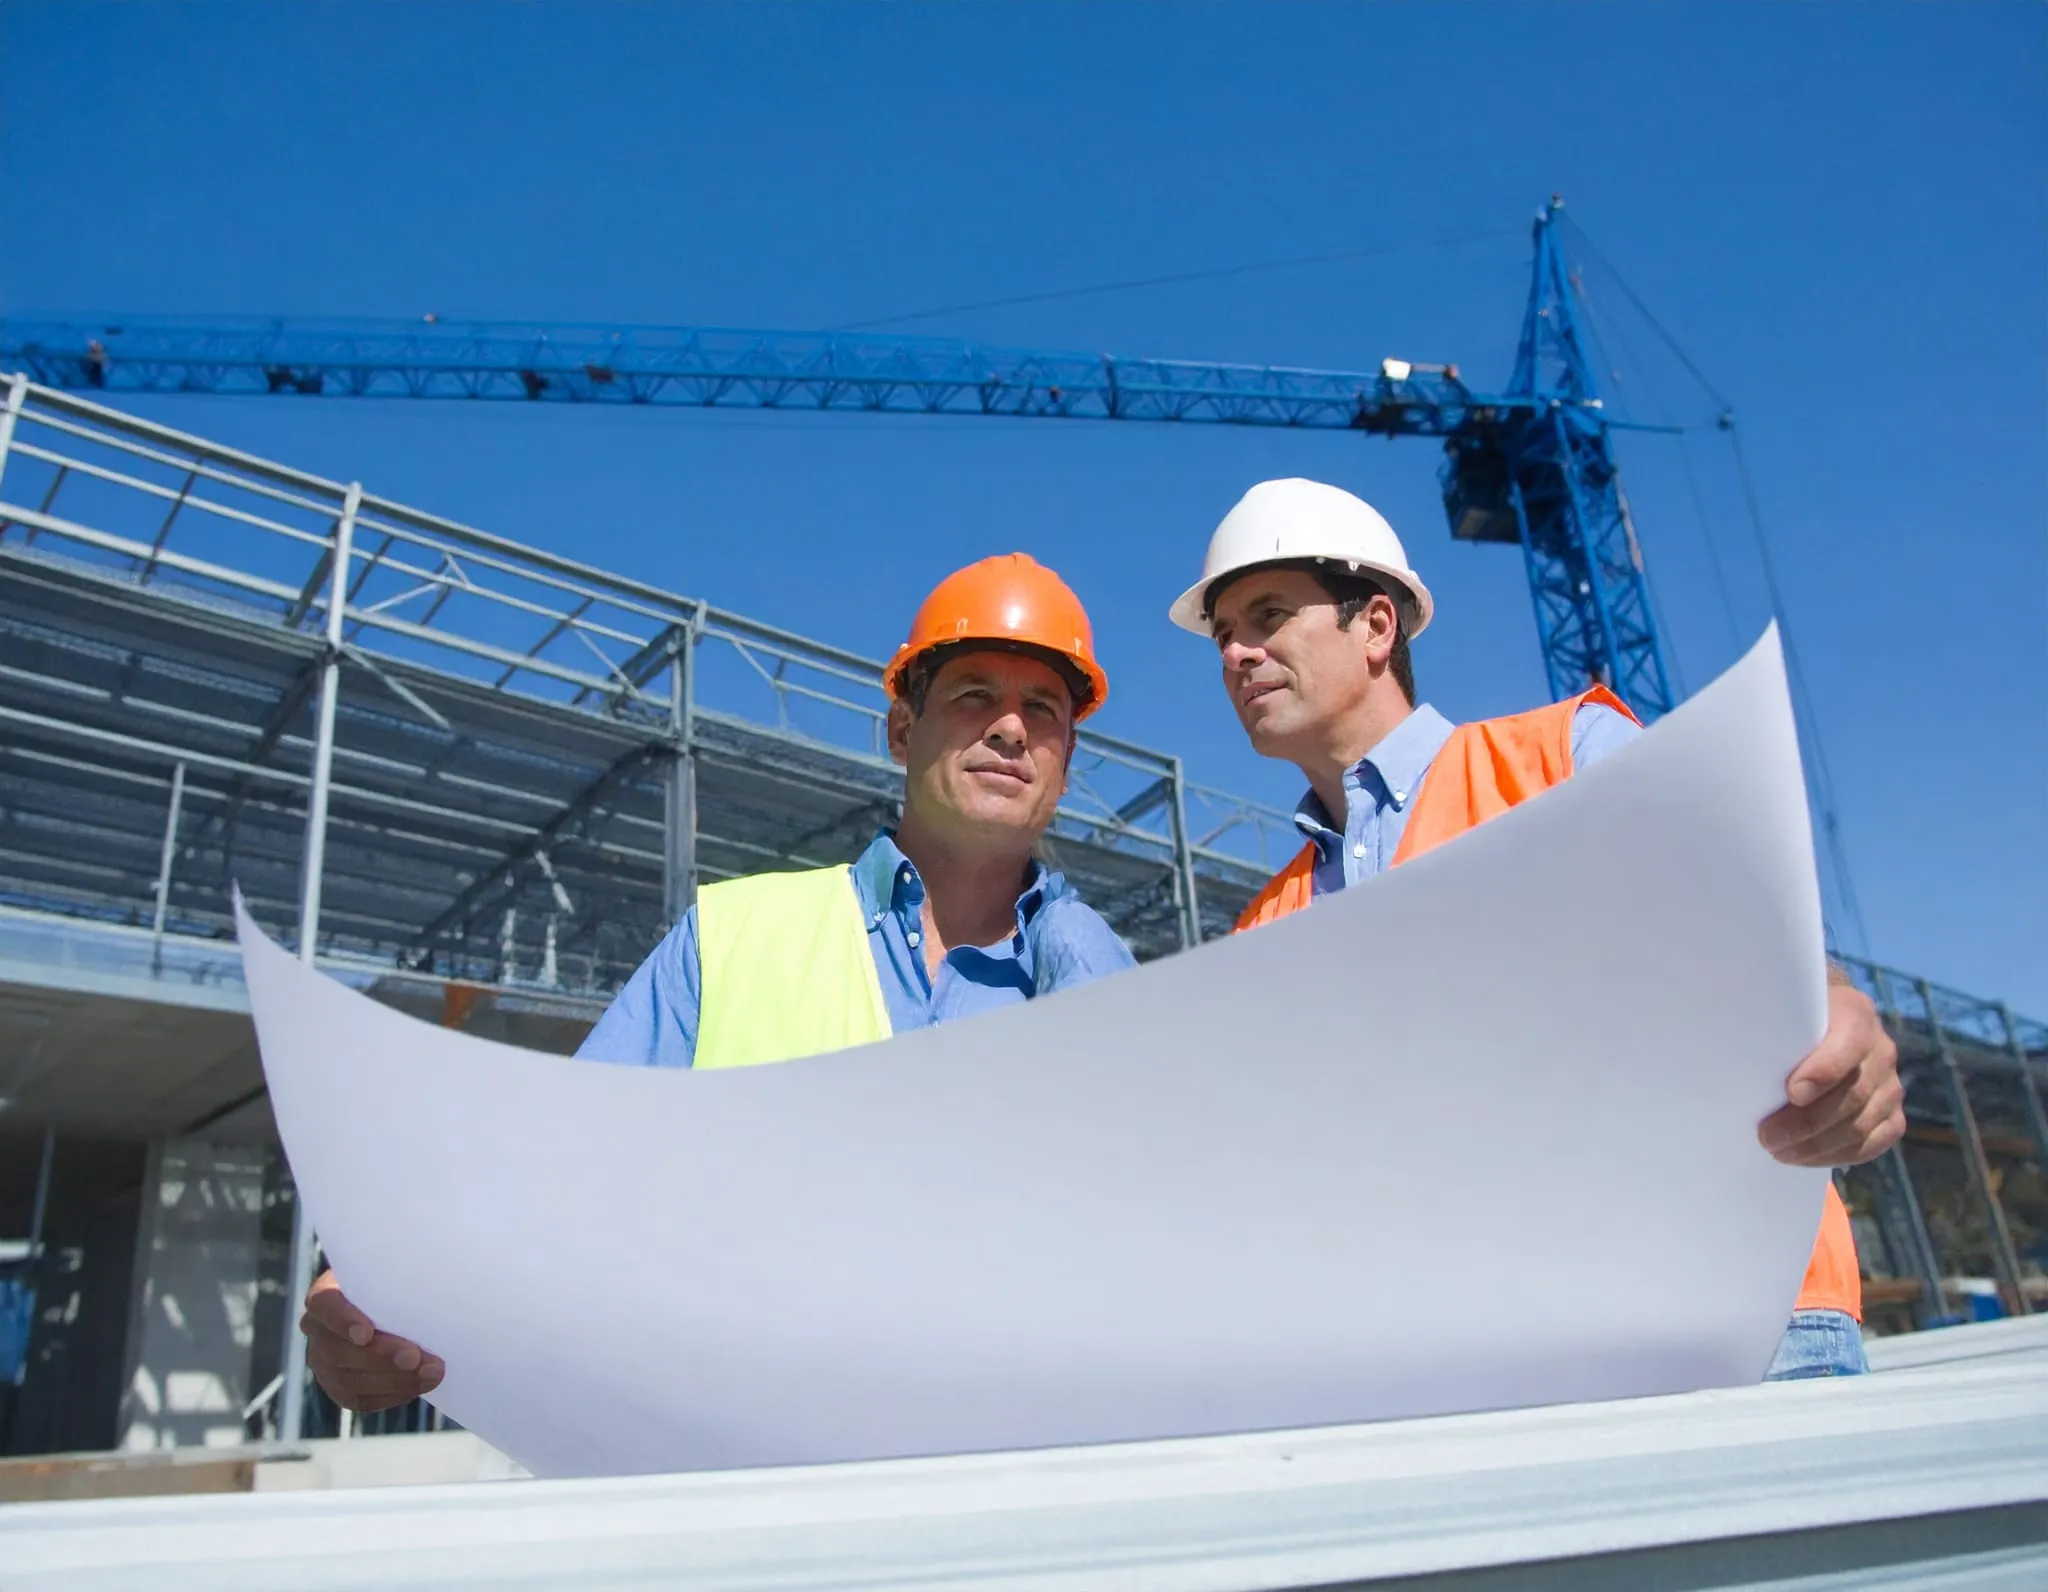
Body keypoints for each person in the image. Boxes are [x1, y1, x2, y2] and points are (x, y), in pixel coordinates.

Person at [301, 553, 1138, 1413]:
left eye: (1044, 709)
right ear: (900, 729)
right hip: (752, 1455)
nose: (1010, 729)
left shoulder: (1118, 996)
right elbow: (559, 1166)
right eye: (973, 694)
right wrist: (384, 1281)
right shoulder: (735, 940)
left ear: (1066, 756)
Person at [1172, 477, 1906, 1380]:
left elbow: (1753, 935)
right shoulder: (1260, 929)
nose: (1236, 653)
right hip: (1488, 1356)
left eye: (1269, 616)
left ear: (1376, 626)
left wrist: (1834, 1009)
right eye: (1223, 634)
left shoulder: (1566, 758)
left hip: (1739, 1309)